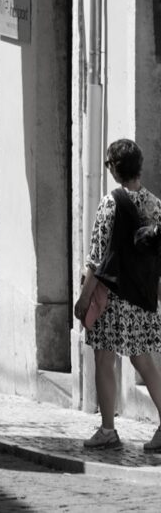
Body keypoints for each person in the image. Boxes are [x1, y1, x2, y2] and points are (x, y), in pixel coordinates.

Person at [75, 139, 161, 452]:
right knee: (144, 360)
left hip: (111, 297)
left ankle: (108, 430)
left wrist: (84, 299)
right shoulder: (155, 204)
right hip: (141, 296)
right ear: (138, 167)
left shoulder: (111, 202)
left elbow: (96, 258)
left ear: (114, 169)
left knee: (103, 357)